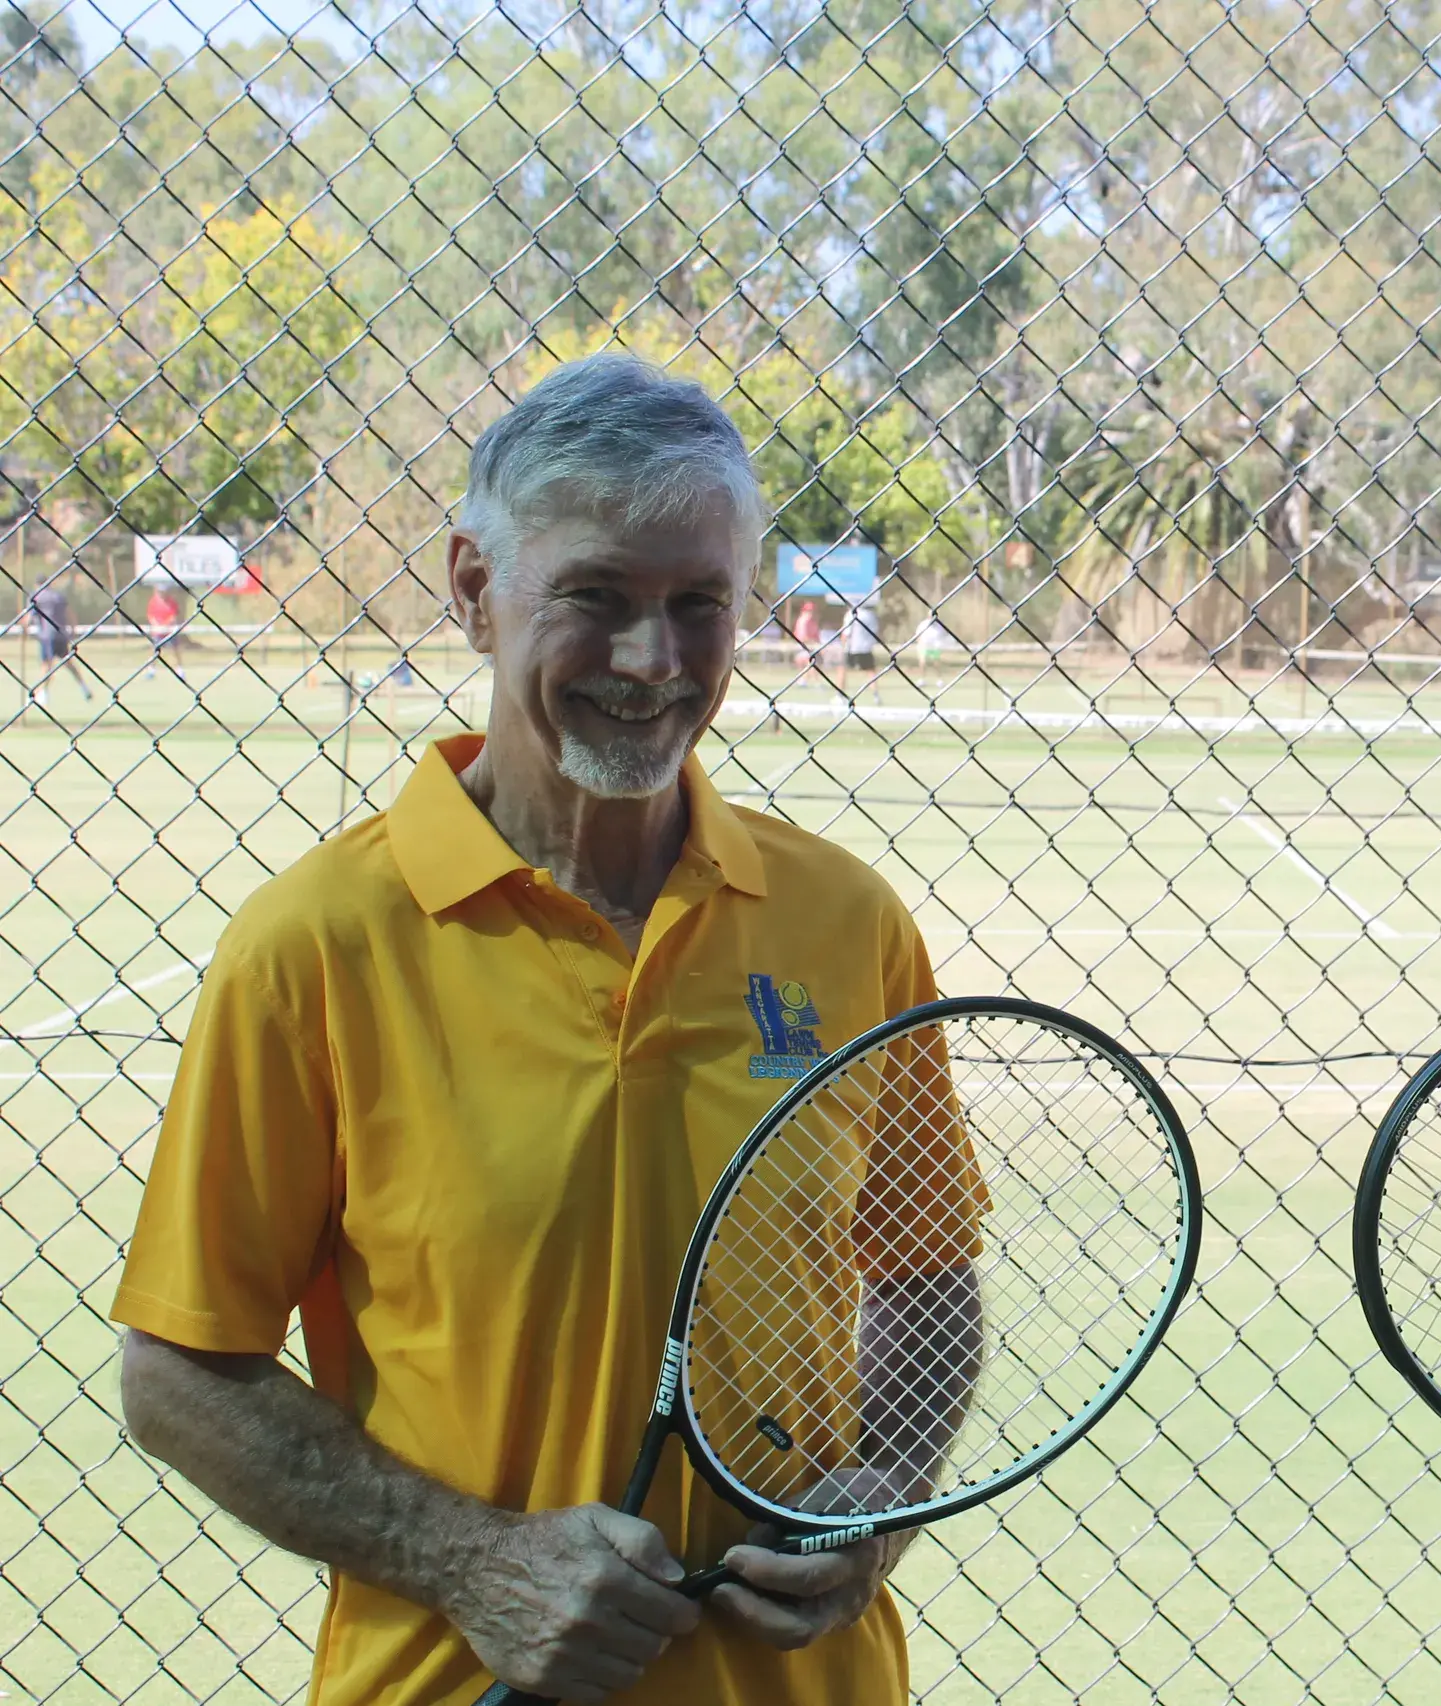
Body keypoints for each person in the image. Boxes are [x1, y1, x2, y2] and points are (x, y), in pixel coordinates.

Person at [113, 353, 984, 1706]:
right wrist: (474, 1562)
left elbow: (928, 1277)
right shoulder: (318, 942)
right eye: (596, 595)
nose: (655, 659)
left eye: (701, 602)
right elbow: (179, 1367)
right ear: (473, 587)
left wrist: (885, 1492)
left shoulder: (844, 922)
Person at [29, 574, 91, 707]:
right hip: (61, 635)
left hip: (47, 636)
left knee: (46, 665)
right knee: (68, 663)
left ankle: (43, 694)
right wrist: (72, 631)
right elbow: (71, 614)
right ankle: (84, 687)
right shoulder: (58, 597)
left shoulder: (37, 597)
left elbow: (29, 616)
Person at [144, 582, 185, 681]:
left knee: (174, 651)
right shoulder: (153, 601)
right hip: (157, 631)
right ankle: (151, 671)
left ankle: (179, 671)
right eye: (160, 591)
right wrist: (156, 624)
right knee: (154, 650)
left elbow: (173, 616)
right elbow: (150, 615)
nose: (161, 594)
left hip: (169, 631)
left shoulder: (172, 602)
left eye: (163, 592)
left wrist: (165, 625)